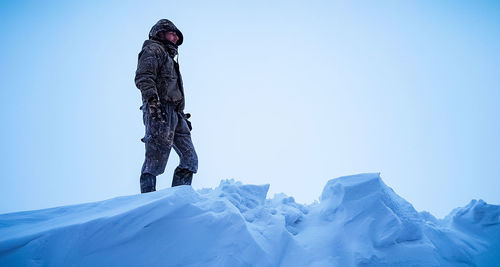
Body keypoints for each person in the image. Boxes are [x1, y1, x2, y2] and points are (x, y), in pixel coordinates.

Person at [134, 19, 198, 193]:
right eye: (173, 33)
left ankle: (178, 199)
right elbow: (144, 77)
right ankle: (148, 202)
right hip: (159, 109)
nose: (176, 38)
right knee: (155, 159)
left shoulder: (170, 58)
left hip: (176, 114)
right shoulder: (153, 49)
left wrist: (181, 115)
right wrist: (152, 102)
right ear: (160, 32)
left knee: (190, 159)